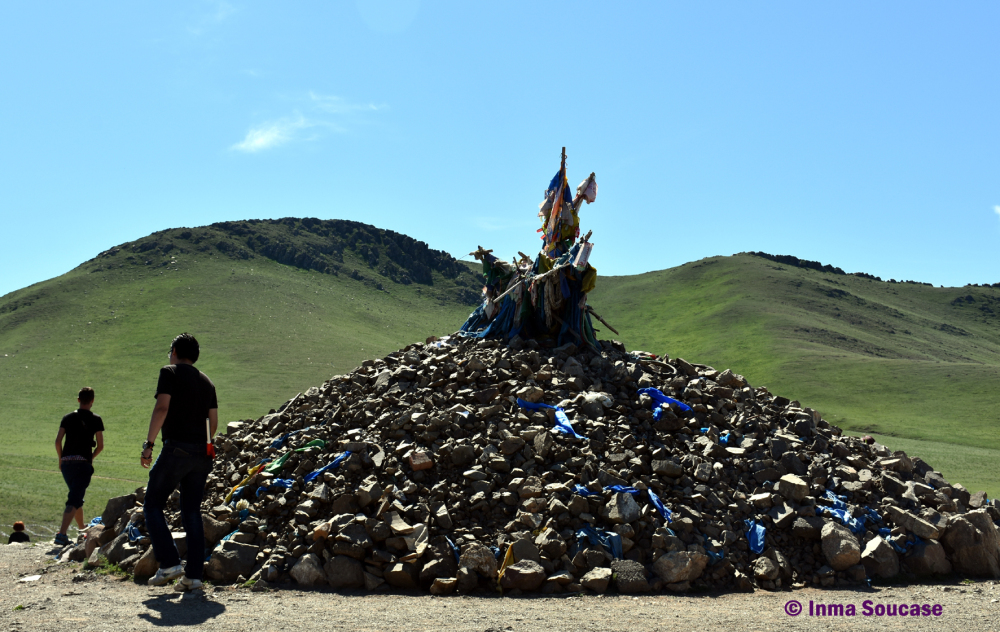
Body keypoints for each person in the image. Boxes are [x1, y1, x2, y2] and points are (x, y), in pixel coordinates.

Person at [141, 333, 218, 592]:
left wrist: (149, 445)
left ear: (174, 351)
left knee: (152, 504)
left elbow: (162, 408)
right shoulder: (207, 382)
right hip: (202, 454)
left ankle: (170, 563)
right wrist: (202, 445)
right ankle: (193, 576)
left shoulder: (169, 372)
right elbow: (213, 422)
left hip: (176, 450)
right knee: (192, 511)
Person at [54, 387, 104, 546]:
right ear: (92, 401)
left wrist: (61, 459)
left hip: (67, 463)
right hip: (83, 464)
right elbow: (100, 446)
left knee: (76, 496)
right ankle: (61, 534)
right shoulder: (96, 419)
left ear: (78, 400)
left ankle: (82, 529)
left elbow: (57, 441)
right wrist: (90, 458)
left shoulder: (67, 417)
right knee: (74, 498)